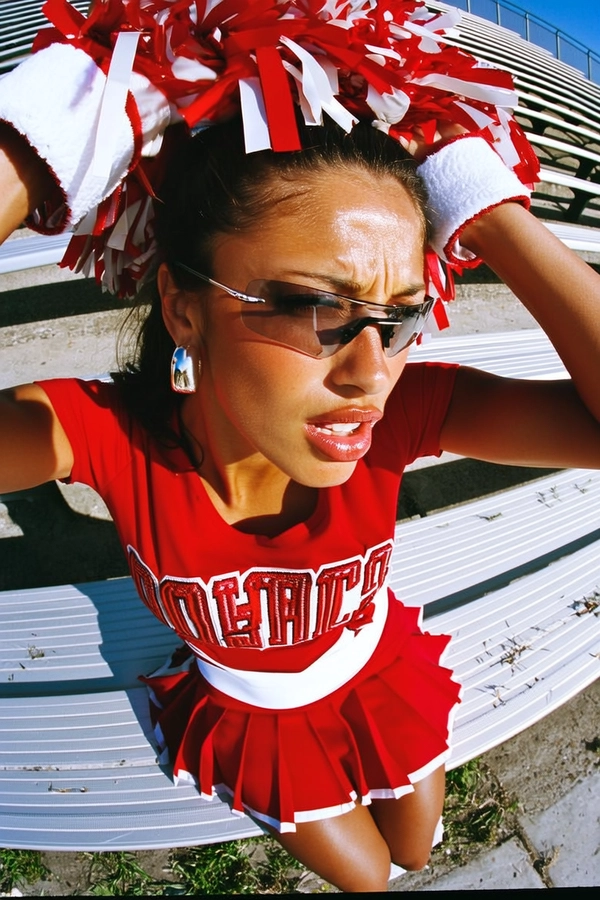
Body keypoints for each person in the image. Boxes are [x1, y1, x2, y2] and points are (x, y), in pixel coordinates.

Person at [1, 1, 600, 892]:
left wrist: (482, 198)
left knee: (418, 849)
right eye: (320, 310)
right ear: (183, 309)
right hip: (253, 711)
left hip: (378, 666)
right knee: (368, 880)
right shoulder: (102, 435)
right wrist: (44, 139)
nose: (373, 372)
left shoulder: (402, 411)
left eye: (399, 319)